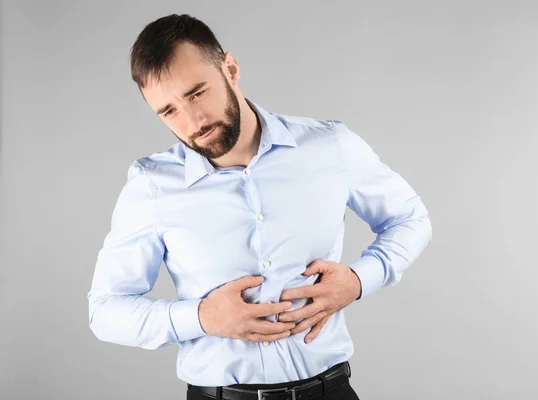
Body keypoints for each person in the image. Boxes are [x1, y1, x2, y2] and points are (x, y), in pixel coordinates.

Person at [87, 13, 432, 400]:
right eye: (168, 111)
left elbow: (410, 218)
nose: (192, 122)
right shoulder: (152, 186)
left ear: (230, 69)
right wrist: (201, 318)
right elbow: (105, 311)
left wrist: (358, 281)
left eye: (196, 93)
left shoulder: (330, 146)